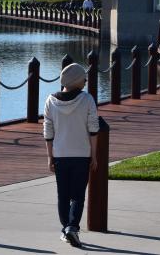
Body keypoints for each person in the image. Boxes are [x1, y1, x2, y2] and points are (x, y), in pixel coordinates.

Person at [44, 63, 99, 247]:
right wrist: (94, 155)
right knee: (77, 195)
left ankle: (66, 228)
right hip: (81, 155)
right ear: (76, 80)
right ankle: (72, 227)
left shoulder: (50, 100)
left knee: (63, 195)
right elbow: (93, 129)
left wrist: (50, 156)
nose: (85, 80)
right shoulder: (87, 99)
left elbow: (48, 131)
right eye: (83, 77)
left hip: (60, 154)